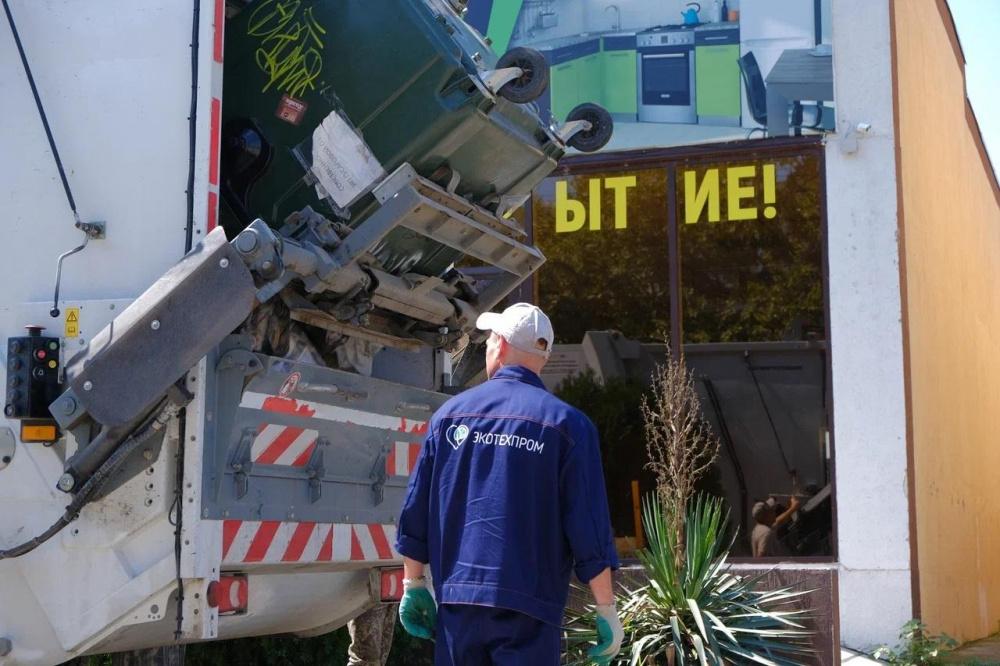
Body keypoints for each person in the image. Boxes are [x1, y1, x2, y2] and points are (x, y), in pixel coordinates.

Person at [394, 303, 623, 665]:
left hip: (460, 605)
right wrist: (605, 608)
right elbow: (589, 528)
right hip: (531, 611)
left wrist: (414, 583)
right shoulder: (569, 427)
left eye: (488, 341)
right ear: (542, 358)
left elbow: (416, 511)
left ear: (499, 345)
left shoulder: (450, 417)